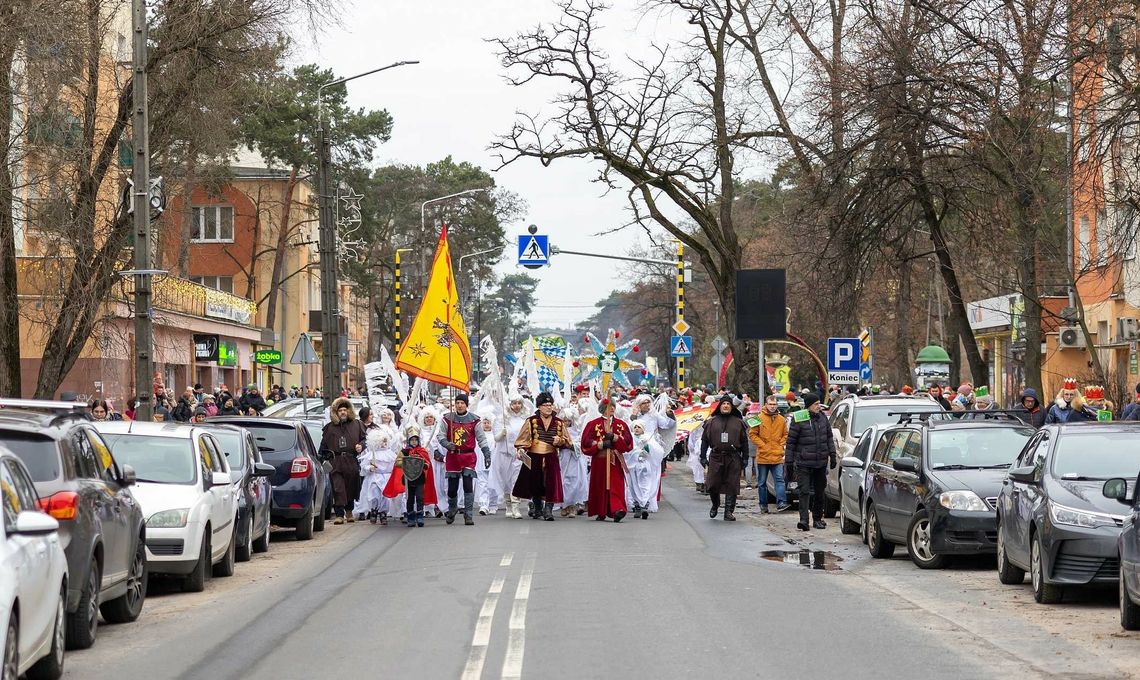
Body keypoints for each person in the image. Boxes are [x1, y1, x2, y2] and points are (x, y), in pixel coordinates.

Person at [512, 392, 570, 521]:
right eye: (545, 405)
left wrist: (559, 441)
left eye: (550, 405)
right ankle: (538, 508)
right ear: (539, 407)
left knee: (551, 484)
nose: (549, 407)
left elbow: (567, 441)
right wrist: (521, 449)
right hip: (534, 456)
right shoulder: (531, 421)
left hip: (551, 456)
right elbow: (522, 439)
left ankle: (548, 510)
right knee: (535, 483)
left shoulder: (559, 422)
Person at [437, 393, 493, 526]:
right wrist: (446, 443)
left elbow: (481, 438)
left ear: (466, 404)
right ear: (455, 404)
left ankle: (468, 514)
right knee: (452, 488)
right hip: (453, 456)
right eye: (457, 403)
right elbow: (440, 436)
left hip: (468, 456)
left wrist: (486, 453)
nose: (460, 405)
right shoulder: (447, 419)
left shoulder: (475, 420)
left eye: (462, 403)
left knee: (468, 485)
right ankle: (452, 509)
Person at [785, 393, 836, 531]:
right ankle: (804, 520)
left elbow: (829, 437)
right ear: (809, 406)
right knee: (804, 491)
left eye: (819, 403)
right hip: (803, 462)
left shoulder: (823, 418)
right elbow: (791, 442)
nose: (818, 406)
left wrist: (833, 454)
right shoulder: (799, 418)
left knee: (819, 491)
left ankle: (818, 519)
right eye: (816, 404)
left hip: (820, 462)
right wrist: (789, 461)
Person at [581, 397, 634, 521]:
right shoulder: (593, 424)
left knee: (616, 485)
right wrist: (600, 444)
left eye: (613, 406)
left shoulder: (621, 424)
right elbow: (586, 441)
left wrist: (616, 438)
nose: (612, 409)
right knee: (600, 486)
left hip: (615, 460)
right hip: (599, 460)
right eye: (609, 407)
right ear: (603, 409)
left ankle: (618, 510)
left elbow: (628, 442)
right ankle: (601, 511)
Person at [700, 394, 748, 521]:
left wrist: (745, 458)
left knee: (732, 484)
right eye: (723, 404)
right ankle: (715, 504)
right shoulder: (711, 422)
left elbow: (744, 442)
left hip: (733, 457)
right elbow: (704, 440)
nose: (726, 406)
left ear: (731, 407)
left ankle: (728, 511)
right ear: (720, 406)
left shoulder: (738, 423)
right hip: (716, 456)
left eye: (728, 404)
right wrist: (702, 456)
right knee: (712, 483)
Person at [320, 397, 367, 524]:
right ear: (336, 412)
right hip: (336, 461)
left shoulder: (357, 424)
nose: (342, 412)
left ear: (348, 411)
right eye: (340, 410)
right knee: (338, 487)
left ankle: (349, 511)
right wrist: (325, 460)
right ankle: (339, 514)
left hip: (351, 460)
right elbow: (323, 448)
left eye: (345, 410)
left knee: (350, 487)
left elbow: (365, 439)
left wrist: (361, 446)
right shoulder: (329, 428)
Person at [630, 393, 674, 518]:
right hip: (636, 445)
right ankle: (636, 502)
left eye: (648, 402)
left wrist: (669, 413)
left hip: (652, 447)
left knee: (650, 474)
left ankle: (647, 501)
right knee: (635, 475)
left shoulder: (654, 415)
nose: (646, 405)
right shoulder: (634, 415)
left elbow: (666, 424)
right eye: (643, 403)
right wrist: (633, 415)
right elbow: (630, 427)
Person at [385, 427, 438, 528]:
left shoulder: (422, 451)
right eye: (412, 440)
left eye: (416, 440)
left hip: (419, 478)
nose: (414, 442)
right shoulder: (404, 451)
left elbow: (427, 464)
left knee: (419, 497)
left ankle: (420, 516)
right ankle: (410, 517)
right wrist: (407, 460)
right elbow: (397, 463)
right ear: (409, 441)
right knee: (410, 498)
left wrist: (421, 461)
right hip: (408, 478)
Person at [355, 409, 399, 525]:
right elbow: (364, 466)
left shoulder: (390, 454)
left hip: (386, 477)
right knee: (374, 495)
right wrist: (370, 468)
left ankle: (383, 513)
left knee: (385, 497)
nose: (384, 444)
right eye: (382, 442)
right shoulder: (371, 454)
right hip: (375, 477)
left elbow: (393, 464)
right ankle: (373, 511)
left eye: (385, 442)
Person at [749, 394, 791, 513]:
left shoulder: (782, 419)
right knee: (762, 482)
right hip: (763, 455)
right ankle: (763, 504)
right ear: (766, 405)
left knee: (779, 480)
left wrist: (780, 444)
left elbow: (786, 434)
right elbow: (752, 434)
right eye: (770, 404)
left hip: (777, 455)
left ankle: (781, 502)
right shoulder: (758, 418)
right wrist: (762, 445)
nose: (772, 406)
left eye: (774, 404)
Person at [493, 396, 530, 518]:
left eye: (519, 403)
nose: (517, 406)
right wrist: (502, 434)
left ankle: (516, 506)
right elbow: (496, 438)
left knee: (516, 479)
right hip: (504, 454)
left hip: (518, 454)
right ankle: (508, 504)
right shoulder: (502, 419)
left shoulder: (525, 419)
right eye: (514, 403)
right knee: (506, 480)